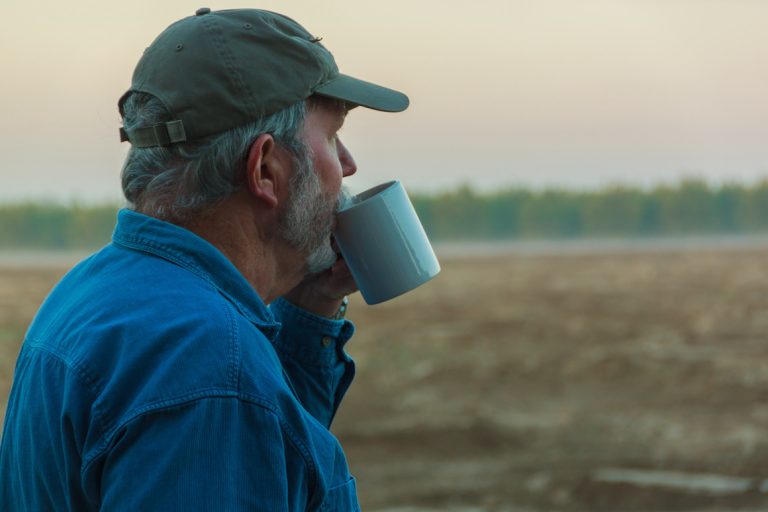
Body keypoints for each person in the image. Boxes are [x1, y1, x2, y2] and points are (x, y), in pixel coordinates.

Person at [0, 8, 408, 511]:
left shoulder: (91, 290)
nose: (347, 164)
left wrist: (309, 305)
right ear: (265, 169)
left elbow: (263, 462)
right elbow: (229, 412)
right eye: (330, 135)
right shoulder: (213, 368)